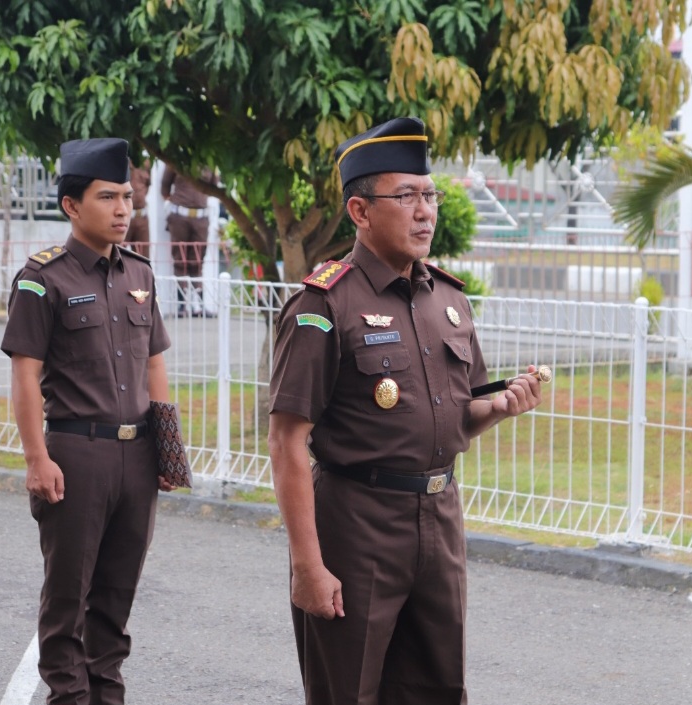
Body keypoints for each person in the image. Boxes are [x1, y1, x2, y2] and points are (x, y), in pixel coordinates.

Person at [267, 117, 543, 705]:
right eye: (406, 197)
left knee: (438, 689)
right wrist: (307, 565)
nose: (425, 212)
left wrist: (500, 406)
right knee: (348, 691)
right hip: (356, 523)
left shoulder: (449, 299)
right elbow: (288, 441)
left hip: (439, 522)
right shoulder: (324, 304)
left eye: (430, 195)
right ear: (360, 211)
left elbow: (460, 413)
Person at [1, 137, 175, 705]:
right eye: (108, 197)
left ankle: (107, 696)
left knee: (116, 600)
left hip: (137, 458)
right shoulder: (42, 279)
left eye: (127, 197)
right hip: (76, 455)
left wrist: (168, 450)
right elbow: (25, 375)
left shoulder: (140, 275)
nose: (124, 209)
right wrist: (36, 457)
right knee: (67, 600)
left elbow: (154, 365)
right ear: (72, 206)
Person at [160, 164, 215, 317]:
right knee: (180, 260)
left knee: (197, 261)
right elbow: (164, 188)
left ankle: (200, 306)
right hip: (180, 216)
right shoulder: (175, 158)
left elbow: (214, 187)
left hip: (201, 217)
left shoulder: (209, 161)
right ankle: (181, 306)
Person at [125, 156, 151, 257]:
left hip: (141, 216)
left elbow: (147, 185)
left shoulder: (146, 162)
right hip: (123, 217)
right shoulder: (120, 159)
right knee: (116, 256)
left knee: (143, 258)